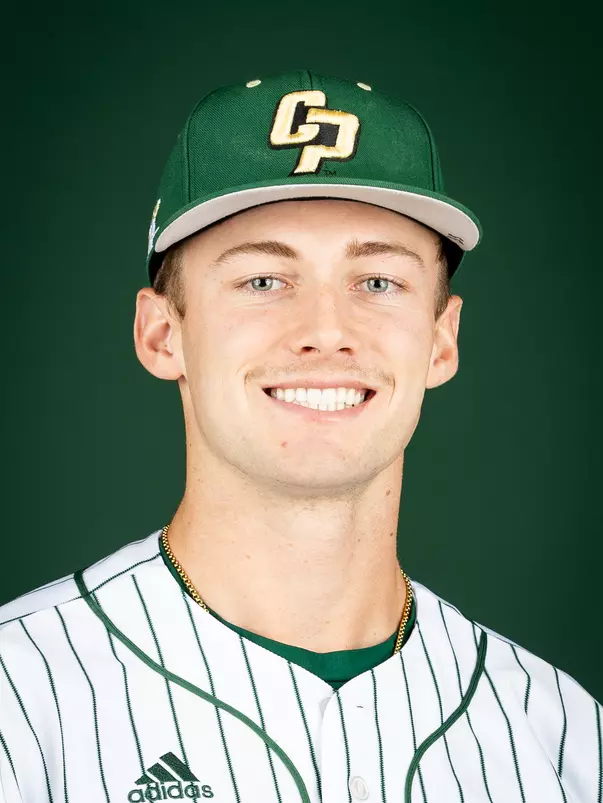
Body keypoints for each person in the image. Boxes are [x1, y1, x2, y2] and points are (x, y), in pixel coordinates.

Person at [0, 70, 600, 803]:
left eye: (376, 281)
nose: (325, 330)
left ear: (441, 341)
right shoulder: (20, 699)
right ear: (162, 334)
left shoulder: (563, 735)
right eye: (263, 280)